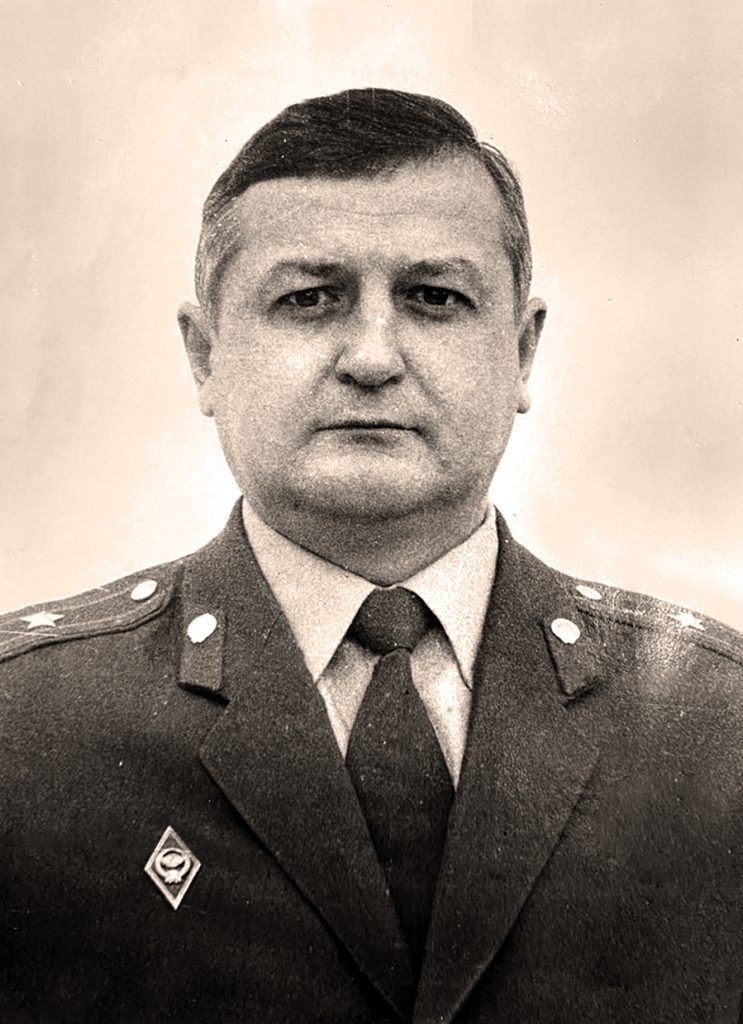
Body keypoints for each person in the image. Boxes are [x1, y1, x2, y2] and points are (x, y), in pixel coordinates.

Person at [1, 88, 742, 1024]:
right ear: (205, 356)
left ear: (521, 352)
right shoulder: (22, 727)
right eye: (308, 299)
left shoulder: (717, 726)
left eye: (434, 298)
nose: (372, 357)